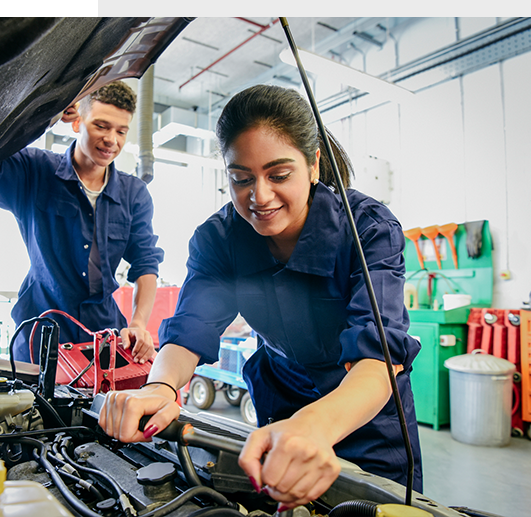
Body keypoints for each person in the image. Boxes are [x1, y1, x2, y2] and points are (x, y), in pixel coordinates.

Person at [98, 84, 422, 510]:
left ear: (313, 164)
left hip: (366, 416)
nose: (260, 196)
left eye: (279, 175)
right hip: (281, 405)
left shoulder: (368, 230)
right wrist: (159, 387)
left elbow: (379, 356)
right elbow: (190, 328)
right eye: (241, 179)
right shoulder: (219, 239)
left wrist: (314, 425)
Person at [0, 81, 164, 364]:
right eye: (101, 126)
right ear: (76, 123)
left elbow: (146, 263)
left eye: (121, 131)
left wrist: (138, 323)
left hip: (102, 338)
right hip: (40, 334)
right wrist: (47, 115)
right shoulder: (34, 172)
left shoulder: (133, 194)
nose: (112, 139)